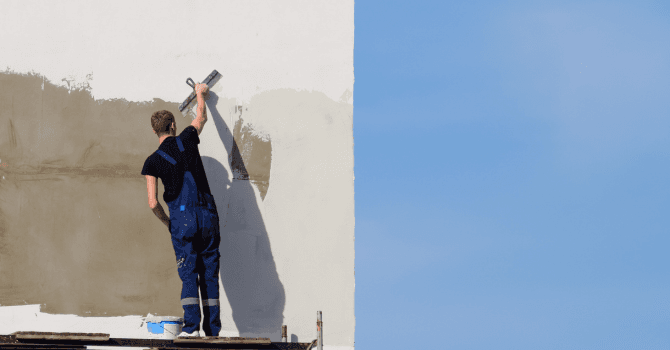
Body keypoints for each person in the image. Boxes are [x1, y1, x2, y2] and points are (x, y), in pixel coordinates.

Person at [141, 83, 221, 337]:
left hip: (181, 220)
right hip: (207, 215)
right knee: (209, 273)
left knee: (189, 273)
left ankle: (191, 329)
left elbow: (153, 203)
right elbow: (201, 116)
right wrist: (200, 94)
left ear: (154, 131)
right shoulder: (188, 137)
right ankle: (213, 332)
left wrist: (168, 223)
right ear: (173, 125)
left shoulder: (152, 162)